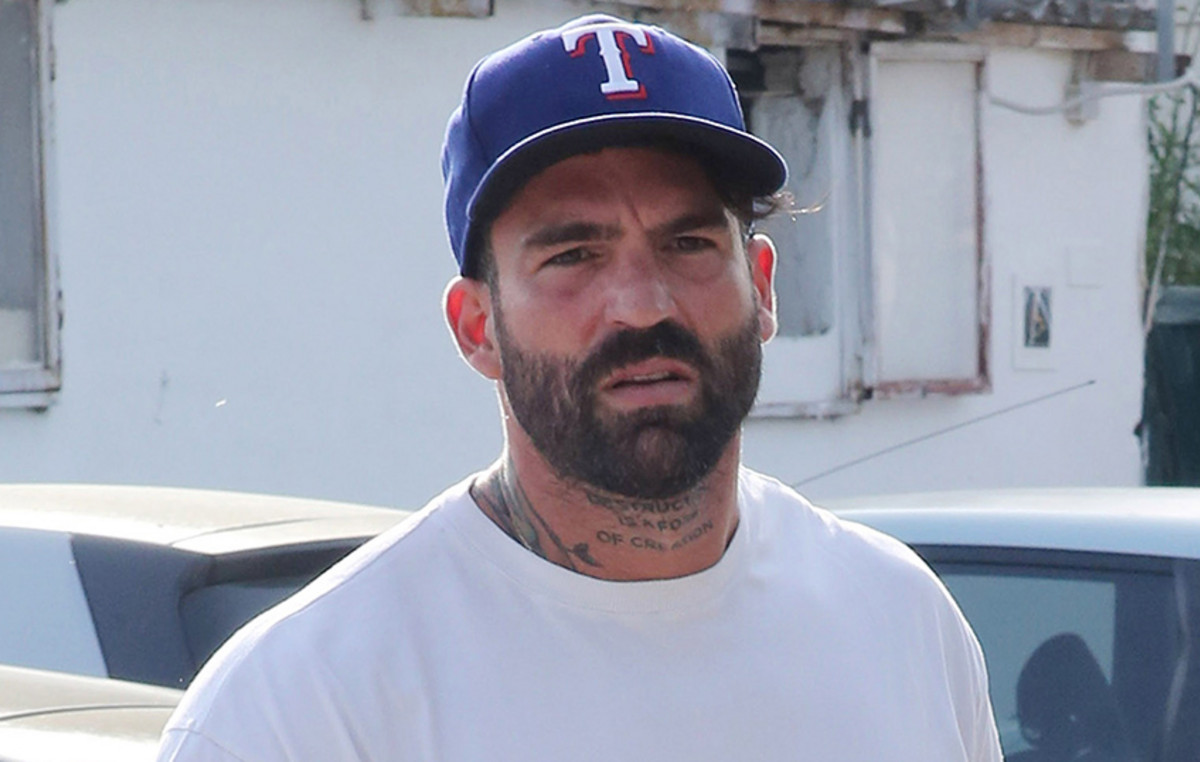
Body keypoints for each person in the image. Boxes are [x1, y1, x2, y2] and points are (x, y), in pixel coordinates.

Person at [158, 13, 1003, 762]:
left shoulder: (900, 626)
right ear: (477, 327)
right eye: (573, 256)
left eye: (688, 244)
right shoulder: (301, 709)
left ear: (762, 285)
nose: (643, 304)